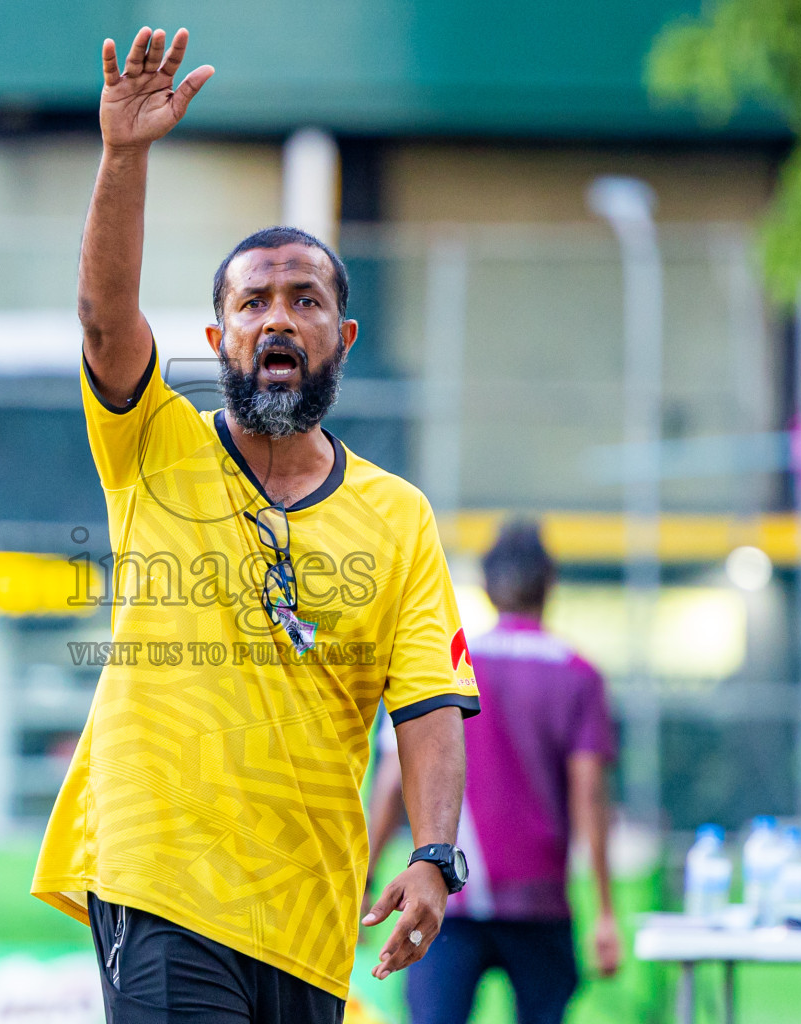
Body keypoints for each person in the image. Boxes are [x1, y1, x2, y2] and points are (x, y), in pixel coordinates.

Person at [30, 26, 482, 1024]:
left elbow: (431, 702)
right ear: (217, 335)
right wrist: (124, 155)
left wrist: (436, 856)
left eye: (305, 299)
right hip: (160, 887)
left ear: (342, 335)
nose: (278, 318)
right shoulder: (155, 445)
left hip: (310, 919)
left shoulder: (397, 515)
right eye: (253, 302)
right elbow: (105, 320)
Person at [366, 519, 621, 1024]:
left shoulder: (448, 664)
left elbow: (395, 776)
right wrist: (605, 913)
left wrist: (367, 876)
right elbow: (588, 794)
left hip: (447, 898)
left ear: (485, 586)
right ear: (550, 585)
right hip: (541, 901)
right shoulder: (577, 674)